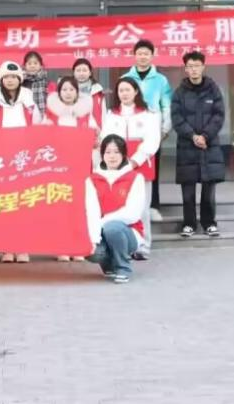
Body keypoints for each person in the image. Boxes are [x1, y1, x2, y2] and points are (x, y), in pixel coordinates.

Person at [0, 61, 42, 264]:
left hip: (24, 161)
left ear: (19, 80)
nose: (10, 80)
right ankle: (6, 247)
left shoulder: (29, 103)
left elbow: (38, 130)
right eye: (6, 77)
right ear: (0, 80)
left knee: (24, 204)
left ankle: (23, 245)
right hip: (1, 161)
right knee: (4, 204)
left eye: (14, 77)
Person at [99, 76, 160, 260]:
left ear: (135, 91)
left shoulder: (148, 114)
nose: (124, 94)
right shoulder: (111, 115)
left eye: (127, 90)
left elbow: (152, 141)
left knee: (142, 208)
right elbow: (105, 140)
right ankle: (122, 245)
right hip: (116, 168)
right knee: (119, 206)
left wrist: (134, 161)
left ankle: (143, 246)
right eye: (121, 90)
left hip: (141, 167)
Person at [171, 51, 226, 238]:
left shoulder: (213, 90)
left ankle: (209, 223)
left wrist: (205, 136)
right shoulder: (179, 92)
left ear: (203, 67)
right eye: (190, 66)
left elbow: (219, 115)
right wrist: (193, 136)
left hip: (209, 145)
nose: (194, 69)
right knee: (188, 189)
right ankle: (189, 224)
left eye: (197, 66)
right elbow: (177, 118)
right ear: (185, 69)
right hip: (187, 146)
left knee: (209, 188)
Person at [45, 76, 95, 262]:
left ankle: (77, 246)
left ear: (77, 92)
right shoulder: (51, 114)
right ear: (59, 92)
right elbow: (44, 139)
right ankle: (62, 247)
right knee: (60, 206)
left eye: (71, 89)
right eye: (64, 89)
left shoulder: (86, 113)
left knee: (79, 206)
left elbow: (95, 136)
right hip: (58, 167)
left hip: (80, 166)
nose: (68, 93)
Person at [122, 39, 173, 220]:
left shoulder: (161, 80)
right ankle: (129, 203)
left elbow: (166, 105)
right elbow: (120, 104)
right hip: (130, 132)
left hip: (152, 131)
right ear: (134, 55)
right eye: (139, 53)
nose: (143, 57)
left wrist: (165, 129)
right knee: (129, 167)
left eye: (146, 54)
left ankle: (153, 206)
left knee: (152, 169)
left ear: (152, 56)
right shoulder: (125, 78)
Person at [84, 135, 146, 284]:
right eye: (108, 152)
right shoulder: (92, 180)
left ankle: (123, 268)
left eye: (116, 152)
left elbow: (132, 213)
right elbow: (91, 211)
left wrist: (103, 221)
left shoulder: (135, 178)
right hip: (100, 230)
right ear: (102, 154)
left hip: (128, 231)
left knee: (113, 228)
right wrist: (92, 239)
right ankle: (108, 264)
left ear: (124, 154)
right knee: (92, 251)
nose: (112, 156)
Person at [72, 58, 107, 128]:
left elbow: (103, 114)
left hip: (94, 129)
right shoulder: (68, 90)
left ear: (90, 73)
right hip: (73, 129)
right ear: (74, 72)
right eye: (78, 70)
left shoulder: (97, 90)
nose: (81, 73)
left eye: (84, 70)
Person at [22, 51, 49, 117]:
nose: (32, 66)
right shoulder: (21, 81)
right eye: (29, 63)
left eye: (35, 63)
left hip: (43, 115)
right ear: (25, 66)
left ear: (41, 65)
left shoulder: (46, 80)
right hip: (26, 116)